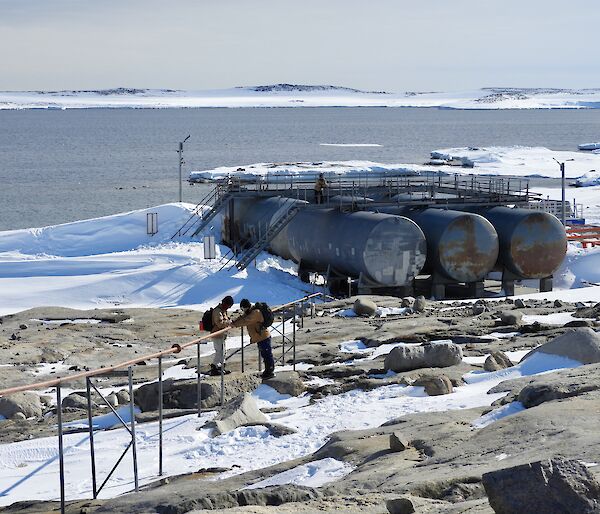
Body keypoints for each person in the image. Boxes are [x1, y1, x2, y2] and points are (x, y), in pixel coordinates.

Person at [233, 298, 275, 380]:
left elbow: (246, 320)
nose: (243, 310)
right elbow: (243, 318)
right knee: (265, 354)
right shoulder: (250, 312)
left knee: (267, 355)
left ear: (246, 306)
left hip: (263, 336)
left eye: (243, 308)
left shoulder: (255, 313)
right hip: (260, 337)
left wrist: (235, 325)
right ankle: (268, 371)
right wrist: (233, 322)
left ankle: (270, 371)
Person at [210, 295, 234, 376]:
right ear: (225, 304)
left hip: (222, 335)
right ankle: (214, 367)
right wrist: (229, 322)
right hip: (217, 335)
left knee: (223, 351)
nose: (229, 308)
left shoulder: (223, 310)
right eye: (228, 306)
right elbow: (220, 324)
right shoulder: (218, 311)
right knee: (219, 352)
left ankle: (221, 367)